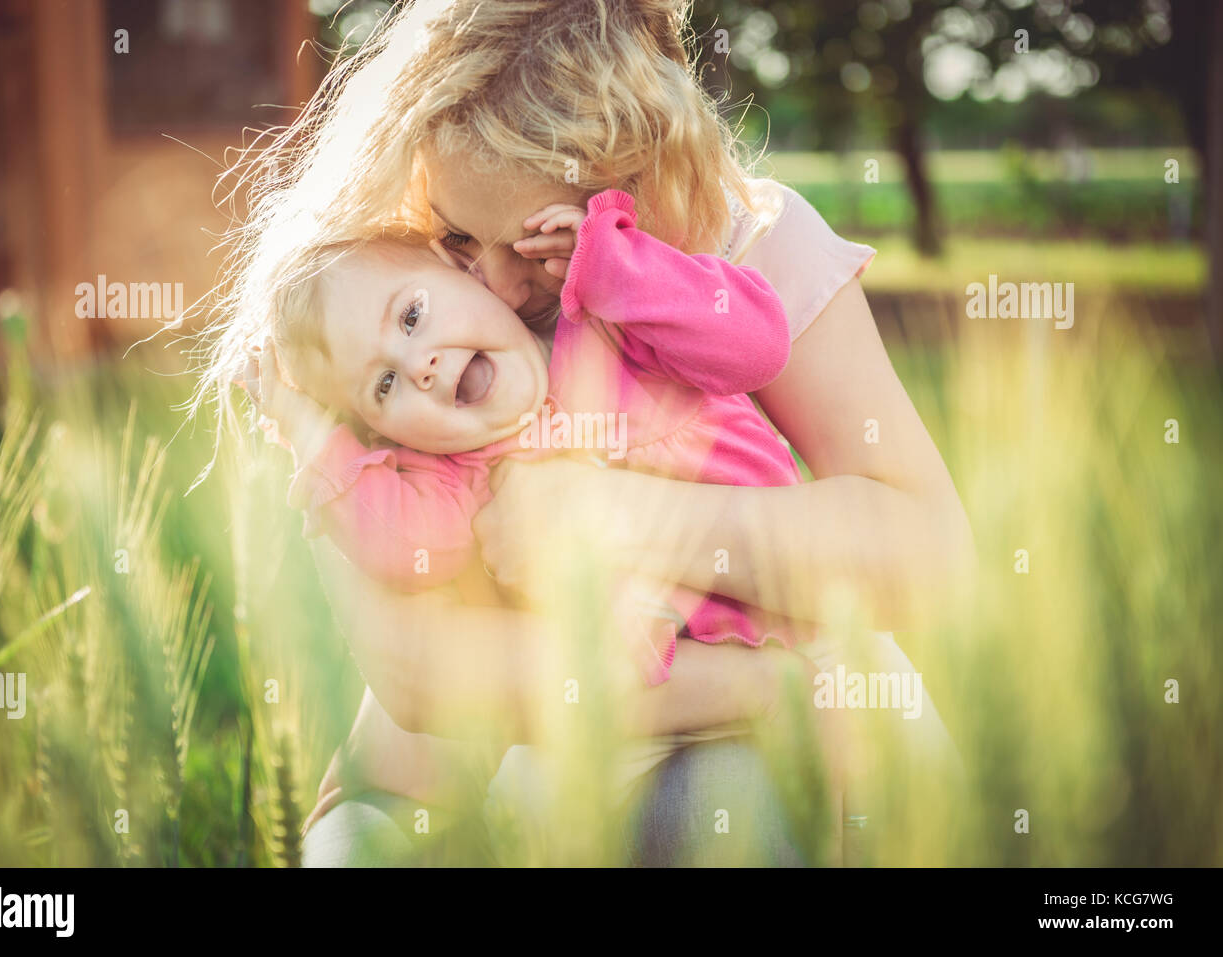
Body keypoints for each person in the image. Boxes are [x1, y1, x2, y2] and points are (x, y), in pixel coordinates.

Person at [200, 0, 971, 866]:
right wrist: (755, 687)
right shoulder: (389, 310)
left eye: (532, 247)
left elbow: (927, 551)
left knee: (721, 801)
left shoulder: (741, 251)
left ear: (634, 190)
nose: (491, 279)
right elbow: (418, 671)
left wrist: (613, 512)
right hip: (500, 759)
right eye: (460, 235)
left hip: (760, 729)